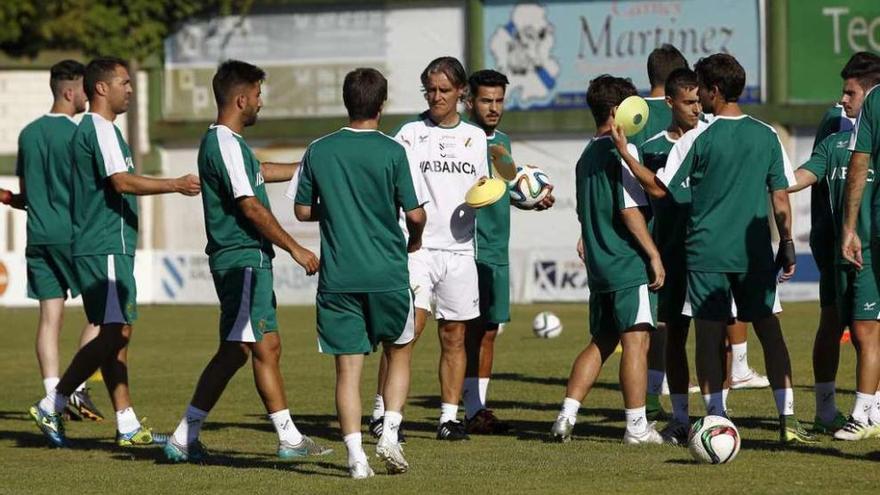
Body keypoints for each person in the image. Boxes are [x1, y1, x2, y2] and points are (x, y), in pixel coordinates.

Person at [618, 53, 815, 444]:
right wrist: (788, 242)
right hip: (754, 253)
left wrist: (626, 154)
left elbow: (660, 187)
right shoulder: (766, 134)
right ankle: (788, 420)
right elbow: (780, 196)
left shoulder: (696, 138)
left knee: (708, 337)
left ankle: (716, 418)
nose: (699, 99)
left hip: (706, 254)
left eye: (702, 90)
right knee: (770, 333)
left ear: (715, 90)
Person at [28, 56, 201, 448]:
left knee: (115, 332)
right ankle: (53, 402)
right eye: (124, 82)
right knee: (116, 331)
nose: (131, 90)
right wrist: (174, 184)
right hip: (104, 244)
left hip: (104, 245)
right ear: (101, 88)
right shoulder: (101, 129)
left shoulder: (97, 130)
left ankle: (126, 424)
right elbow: (121, 182)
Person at [163, 60, 329, 463]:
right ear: (241, 99)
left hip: (244, 260)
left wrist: (312, 167)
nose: (260, 103)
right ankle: (283, 438)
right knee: (251, 348)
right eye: (257, 95)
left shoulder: (228, 143)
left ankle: (187, 437)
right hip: (243, 260)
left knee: (250, 348)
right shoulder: (224, 143)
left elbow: (260, 172)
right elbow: (250, 206)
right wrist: (295, 247)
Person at [292, 67, 426, 479]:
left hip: (339, 278)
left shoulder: (319, 149)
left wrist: (336, 209)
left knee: (348, 371)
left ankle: (355, 458)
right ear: (381, 105)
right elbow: (415, 214)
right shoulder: (393, 151)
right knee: (399, 351)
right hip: (387, 272)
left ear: (346, 101)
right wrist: (415, 239)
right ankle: (390, 434)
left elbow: (301, 211)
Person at [370, 56, 489, 442]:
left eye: (444, 90)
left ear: (461, 92)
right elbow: (390, 185)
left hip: (460, 250)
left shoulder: (476, 138)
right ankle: (383, 413)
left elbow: (482, 188)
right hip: (416, 249)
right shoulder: (409, 134)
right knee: (406, 331)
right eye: (430, 90)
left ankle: (449, 419)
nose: (436, 97)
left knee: (454, 335)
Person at [550, 74, 664, 445]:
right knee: (636, 343)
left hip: (600, 264)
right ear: (615, 111)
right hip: (627, 262)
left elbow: (585, 210)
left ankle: (566, 416)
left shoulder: (586, 155)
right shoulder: (621, 152)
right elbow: (630, 210)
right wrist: (653, 254)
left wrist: (588, 238)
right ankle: (636, 427)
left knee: (601, 341)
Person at [0, 60, 103, 422]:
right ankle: (76, 388)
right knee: (104, 313)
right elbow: (88, 191)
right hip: (73, 235)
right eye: (84, 91)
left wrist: (8, 198)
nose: (88, 98)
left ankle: (51, 397)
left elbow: (27, 196)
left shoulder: (28, 134)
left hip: (38, 236)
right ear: (70, 92)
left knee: (49, 319)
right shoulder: (78, 134)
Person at [789, 53, 880, 440]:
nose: (842, 100)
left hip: (869, 251)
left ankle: (866, 413)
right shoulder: (834, 142)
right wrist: (762, 175)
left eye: (850, 93)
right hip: (836, 250)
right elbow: (799, 177)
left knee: (866, 331)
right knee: (831, 325)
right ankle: (827, 410)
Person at [462, 69, 554, 434]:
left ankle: (476, 409)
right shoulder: (461, 139)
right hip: (468, 247)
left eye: (499, 100)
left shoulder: (503, 141)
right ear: (469, 101)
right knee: (464, 332)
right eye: (486, 100)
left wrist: (530, 200)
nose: (494, 108)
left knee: (489, 330)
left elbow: (500, 190)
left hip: (497, 247)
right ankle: (456, 409)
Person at [839, 56, 880, 438]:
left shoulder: (875, 102)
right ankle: (865, 412)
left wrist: (848, 228)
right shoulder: (874, 104)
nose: (843, 99)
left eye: (850, 92)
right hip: (872, 236)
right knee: (865, 326)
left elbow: (859, 162)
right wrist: (853, 228)